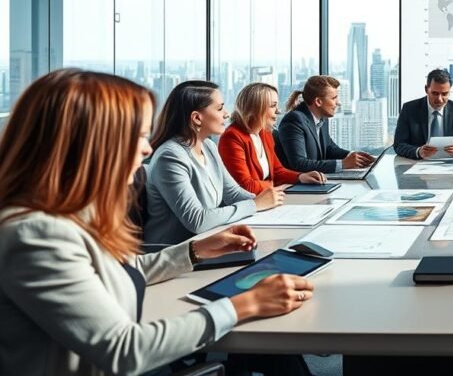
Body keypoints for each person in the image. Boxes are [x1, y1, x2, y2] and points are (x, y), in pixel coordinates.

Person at [0, 69, 313, 376]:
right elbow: (124, 350)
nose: (148, 147)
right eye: (137, 135)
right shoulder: (36, 235)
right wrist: (245, 305)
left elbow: (120, 272)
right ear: (90, 144)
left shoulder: (72, 216)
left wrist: (195, 251)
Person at [145, 80, 284, 245]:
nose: (227, 114)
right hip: (176, 253)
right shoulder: (170, 157)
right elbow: (197, 220)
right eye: (219, 108)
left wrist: (270, 203)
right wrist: (255, 204)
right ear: (197, 118)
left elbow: (233, 193)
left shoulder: (209, 146)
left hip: (207, 242)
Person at [219, 82, 326, 194]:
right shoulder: (232, 138)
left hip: (267, 197)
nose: (278, 111)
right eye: (273, 106)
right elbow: (245, 186)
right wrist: (276, 187)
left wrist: (301, 177)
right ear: (255, 108)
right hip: (248, 205)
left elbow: (277, 171)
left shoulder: (264, 133)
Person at [276, 75, 375, 173]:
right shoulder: (294, 120)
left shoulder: (321, 118)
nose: (338, 103)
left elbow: (329, 149)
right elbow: (299, 164)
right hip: (297, 185)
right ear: (318, 102)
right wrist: (343, 164)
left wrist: (354, 156)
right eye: (334, 98)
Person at [394, 68, 453, 159]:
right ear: (426, 89)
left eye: (444, 94)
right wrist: (418, 151)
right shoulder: (409, 109)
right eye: (435, 93)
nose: (439, 99)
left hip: (449, 165)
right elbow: (399, 145)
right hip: (419, 164)